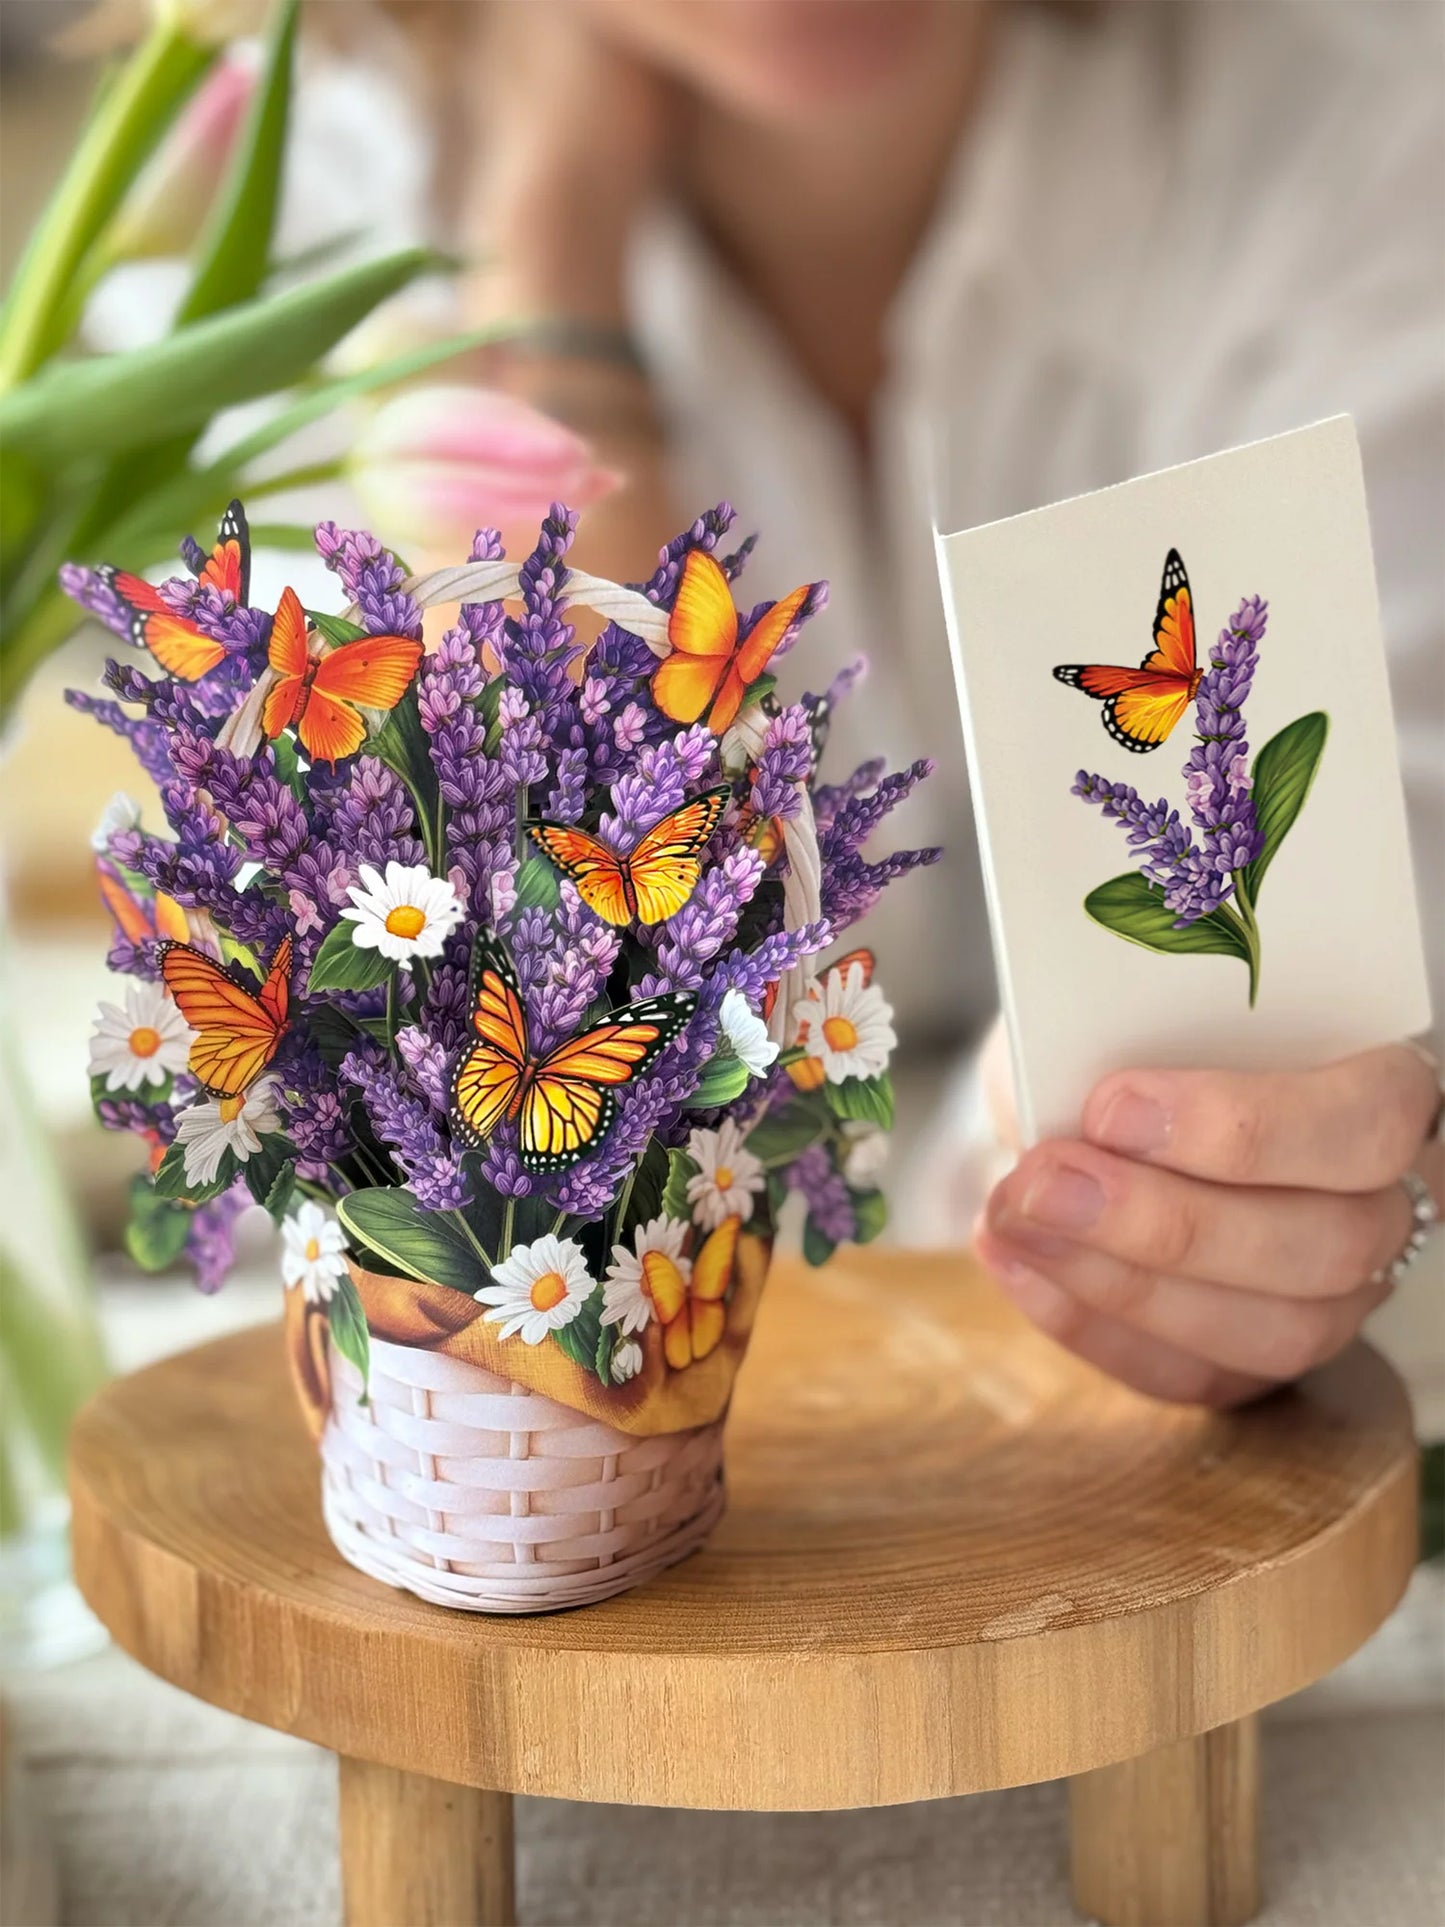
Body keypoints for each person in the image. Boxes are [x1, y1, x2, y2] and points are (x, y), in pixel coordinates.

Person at [387, 0, 1443, 1405]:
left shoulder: (1354, 123)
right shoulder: (338, 233)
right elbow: (564, 1097)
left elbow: (1367, 951)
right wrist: (547, 265)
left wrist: (1226, 1174)